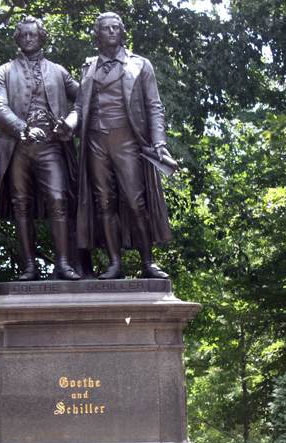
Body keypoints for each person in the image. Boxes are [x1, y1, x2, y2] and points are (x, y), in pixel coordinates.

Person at [62, 12, 174, 280]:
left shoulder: (140, 64)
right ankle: (115, 264)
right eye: (105, 29)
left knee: (136, 202)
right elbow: (79, 107)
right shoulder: (88, 67)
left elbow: (154, 106)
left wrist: (159, 140)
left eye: (116, 28)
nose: (111, 31)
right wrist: (69, 124)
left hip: (127, 142)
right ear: (97, 35)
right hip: (95, 143)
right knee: (103, 203)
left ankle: (147, 263)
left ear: (122, 33)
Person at [0, 16, 81, 281]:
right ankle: (29, 267)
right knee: (21, 205)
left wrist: (72, 122)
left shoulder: (59, 71)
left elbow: (85, 98)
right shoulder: (3, 72)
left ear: (42, 38)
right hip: (17, 147)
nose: (28, 39)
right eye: (24, 35)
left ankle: (63, 265)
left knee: (58, 200)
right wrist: (22, 128)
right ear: (18, 39)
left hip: (51, 146)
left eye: (33, 35)